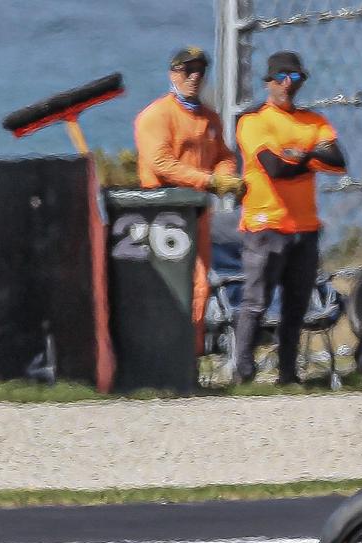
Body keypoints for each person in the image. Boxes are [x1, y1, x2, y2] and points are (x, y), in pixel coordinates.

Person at [233, 50, 347, 385]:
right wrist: (311, 158)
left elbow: (339, 161)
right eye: (282, 78)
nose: (288, 84)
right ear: (269, 81)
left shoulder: (314, 121)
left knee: (295, 307)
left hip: (305, 229)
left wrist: (299, 156)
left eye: (296, 79)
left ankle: (288, 375)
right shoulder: (253, 121)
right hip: (265, 227)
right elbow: (274, 168)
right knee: (256, 303)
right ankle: (243, 374)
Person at [134, 45, 244, 353]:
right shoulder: (156, 116)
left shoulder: (210, 118)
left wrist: (227, 176)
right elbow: (161, 163)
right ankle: (163, 356)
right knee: (168, 287)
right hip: (163, 214)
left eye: (200, 71)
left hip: (198, 214)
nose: (194, 77)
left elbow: (223, 154)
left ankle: (188, 360)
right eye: (187, 71)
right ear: (173, 74)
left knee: (199, 285)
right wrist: (210, 180)